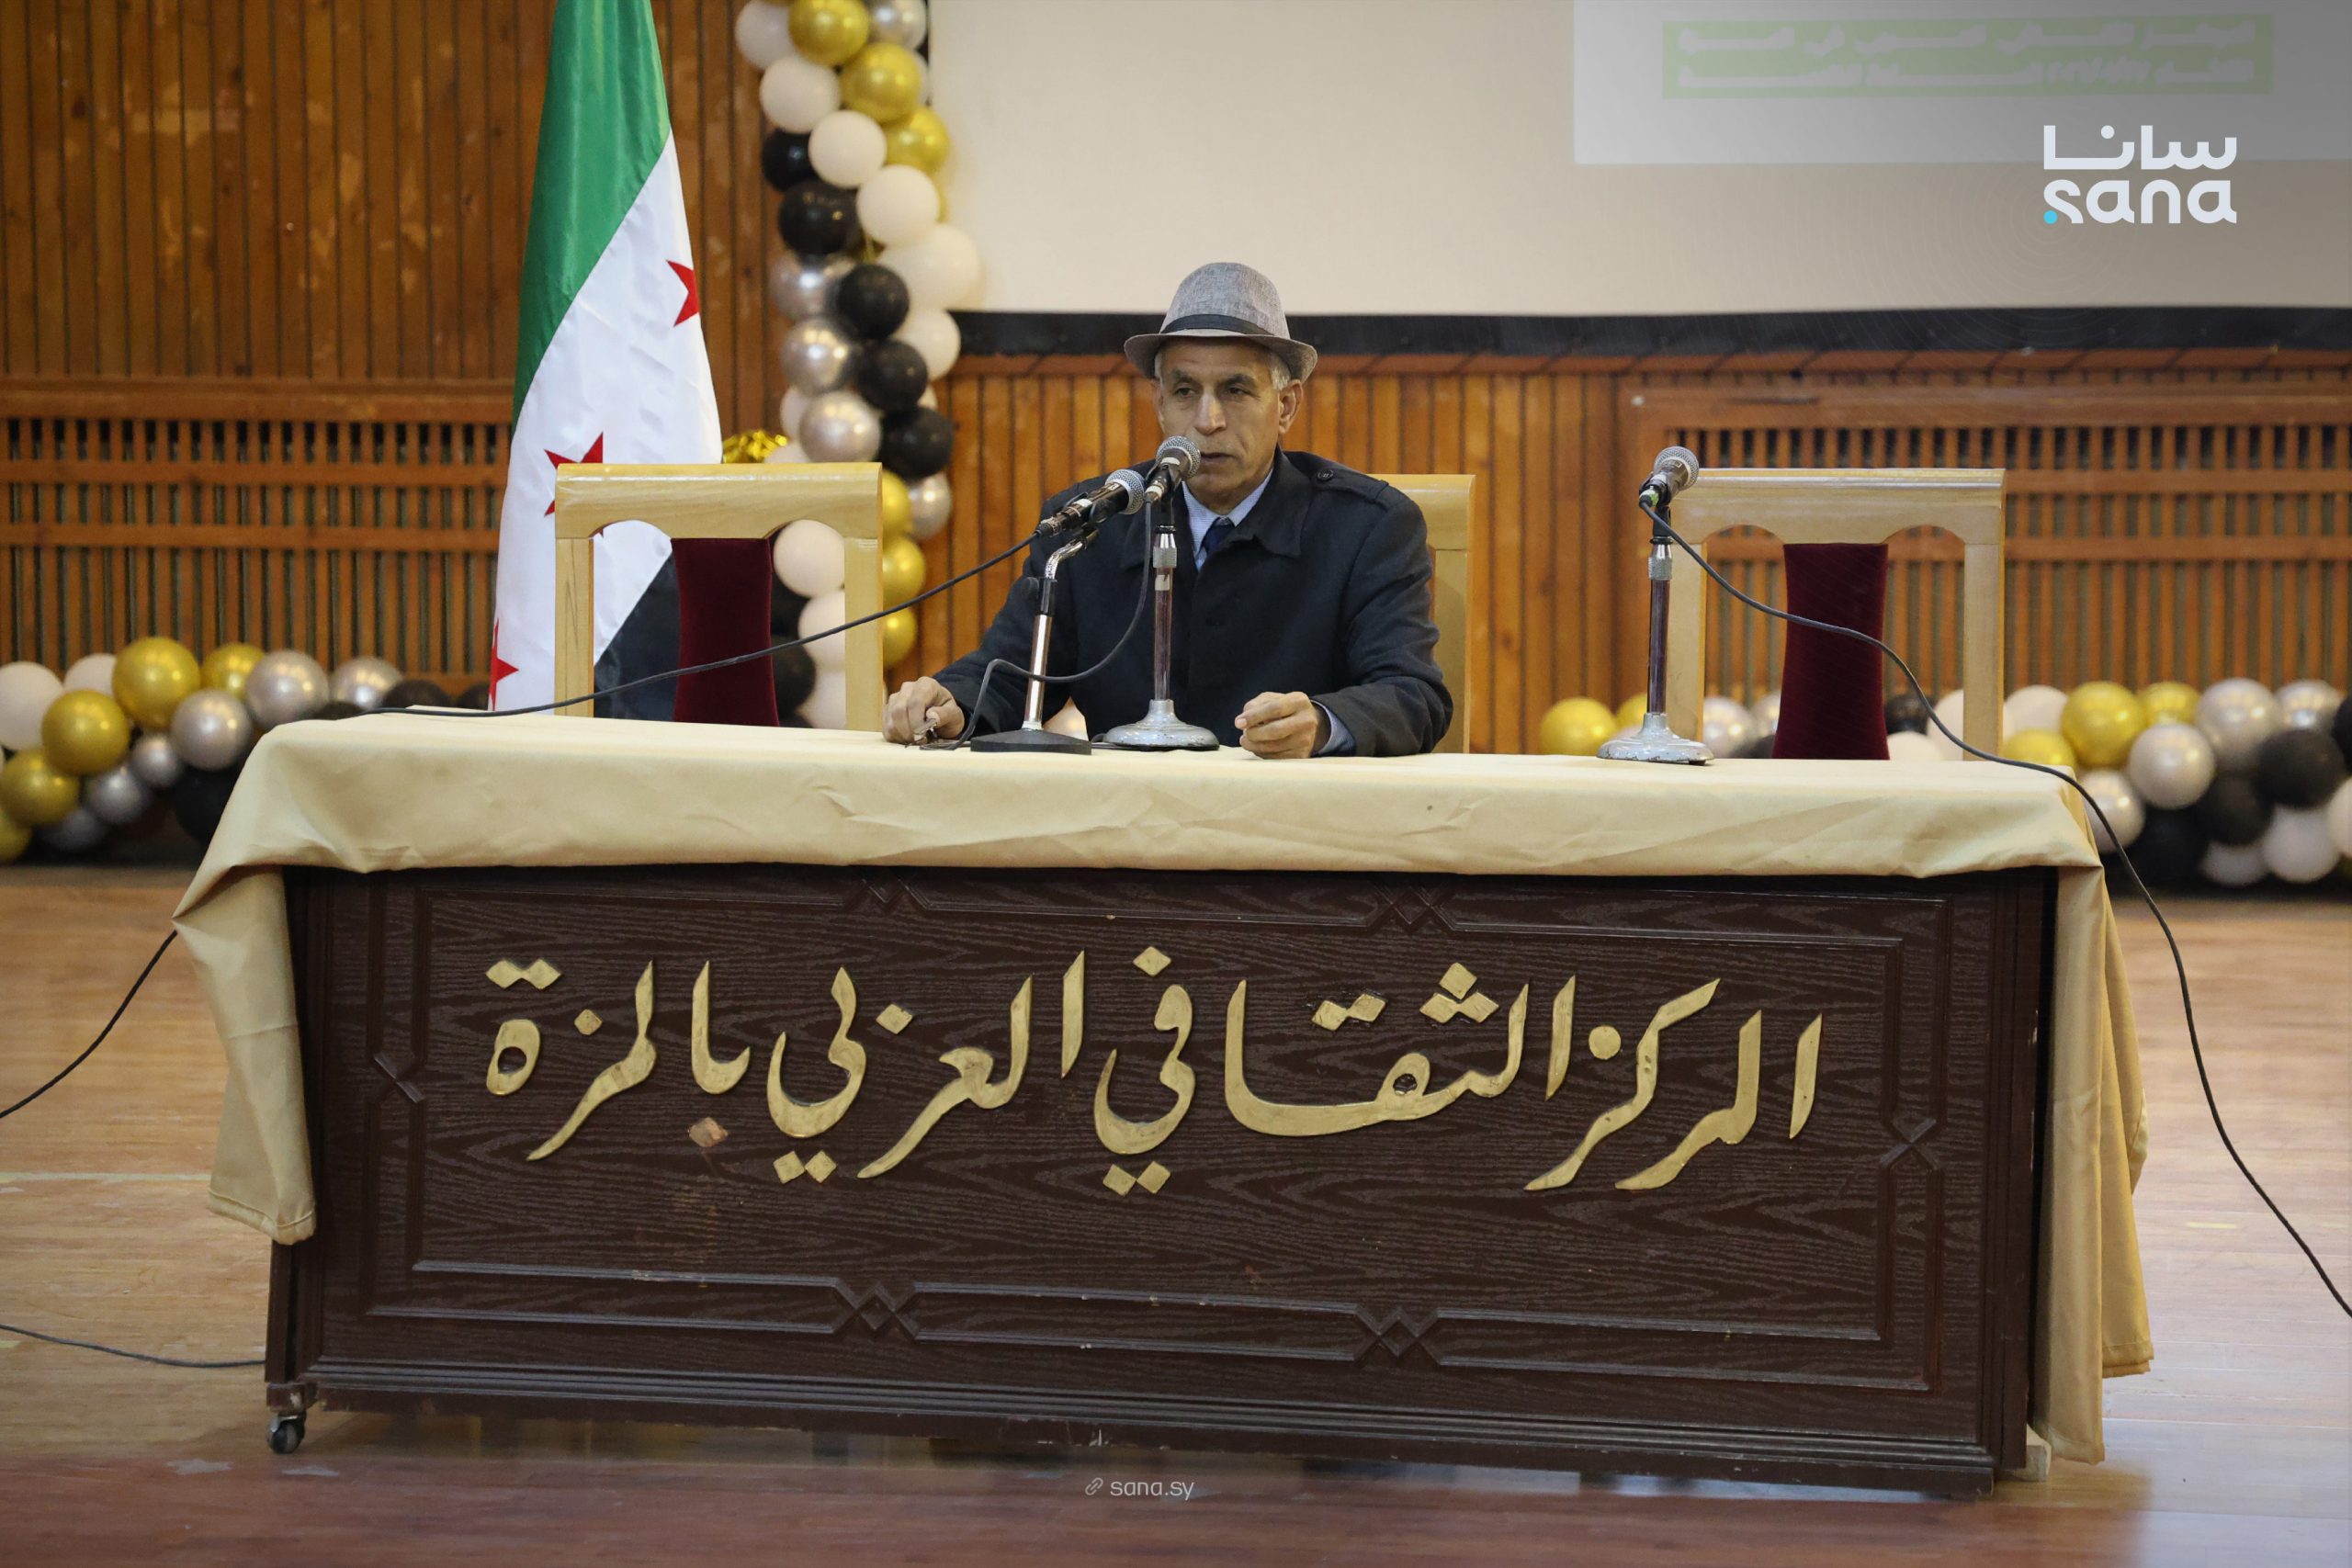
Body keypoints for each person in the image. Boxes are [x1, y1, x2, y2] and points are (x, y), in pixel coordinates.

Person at [882, 263, 1451, 758]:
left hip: (1293, 823)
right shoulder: (1095, 520)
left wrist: (1323, 724)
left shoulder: (1366, 527)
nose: (1207, 421)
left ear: (1286, 406)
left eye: (1236, 391)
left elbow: (1411, 694)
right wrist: (950, 702)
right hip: (1126, 824)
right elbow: (1014, 674)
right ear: (1159, 404)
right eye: (1184, 392)